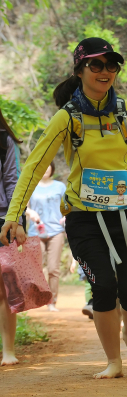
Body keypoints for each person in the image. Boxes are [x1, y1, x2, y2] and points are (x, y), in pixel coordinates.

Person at [0, 37, 127, 379]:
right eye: (97, 65)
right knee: (103, 284)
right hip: (84, 218)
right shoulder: (67, 117)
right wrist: (14, 216)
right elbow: (33, 165)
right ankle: (113, 361)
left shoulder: (125, 111)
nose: (106, 71)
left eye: (112, 65)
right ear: (80, 70)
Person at [25, 162, 66, 312]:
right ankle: (37, 299)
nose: (46, 169)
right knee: (36, 267)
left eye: (48, 166)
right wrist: (30, 213)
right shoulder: (31, 185)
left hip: (56, 231)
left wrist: (66, 217)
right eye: (43, 166)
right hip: (36, 231)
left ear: (52, 169)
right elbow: (23, 206)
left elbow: (68, 205)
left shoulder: (60, 187)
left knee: (53, 269)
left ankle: (52, 302)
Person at [0, 107, 23, 366]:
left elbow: (12, 181)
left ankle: (8, 351)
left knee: (3, 291)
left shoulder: (3, 141)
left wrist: (15, 220)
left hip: (1, 220)